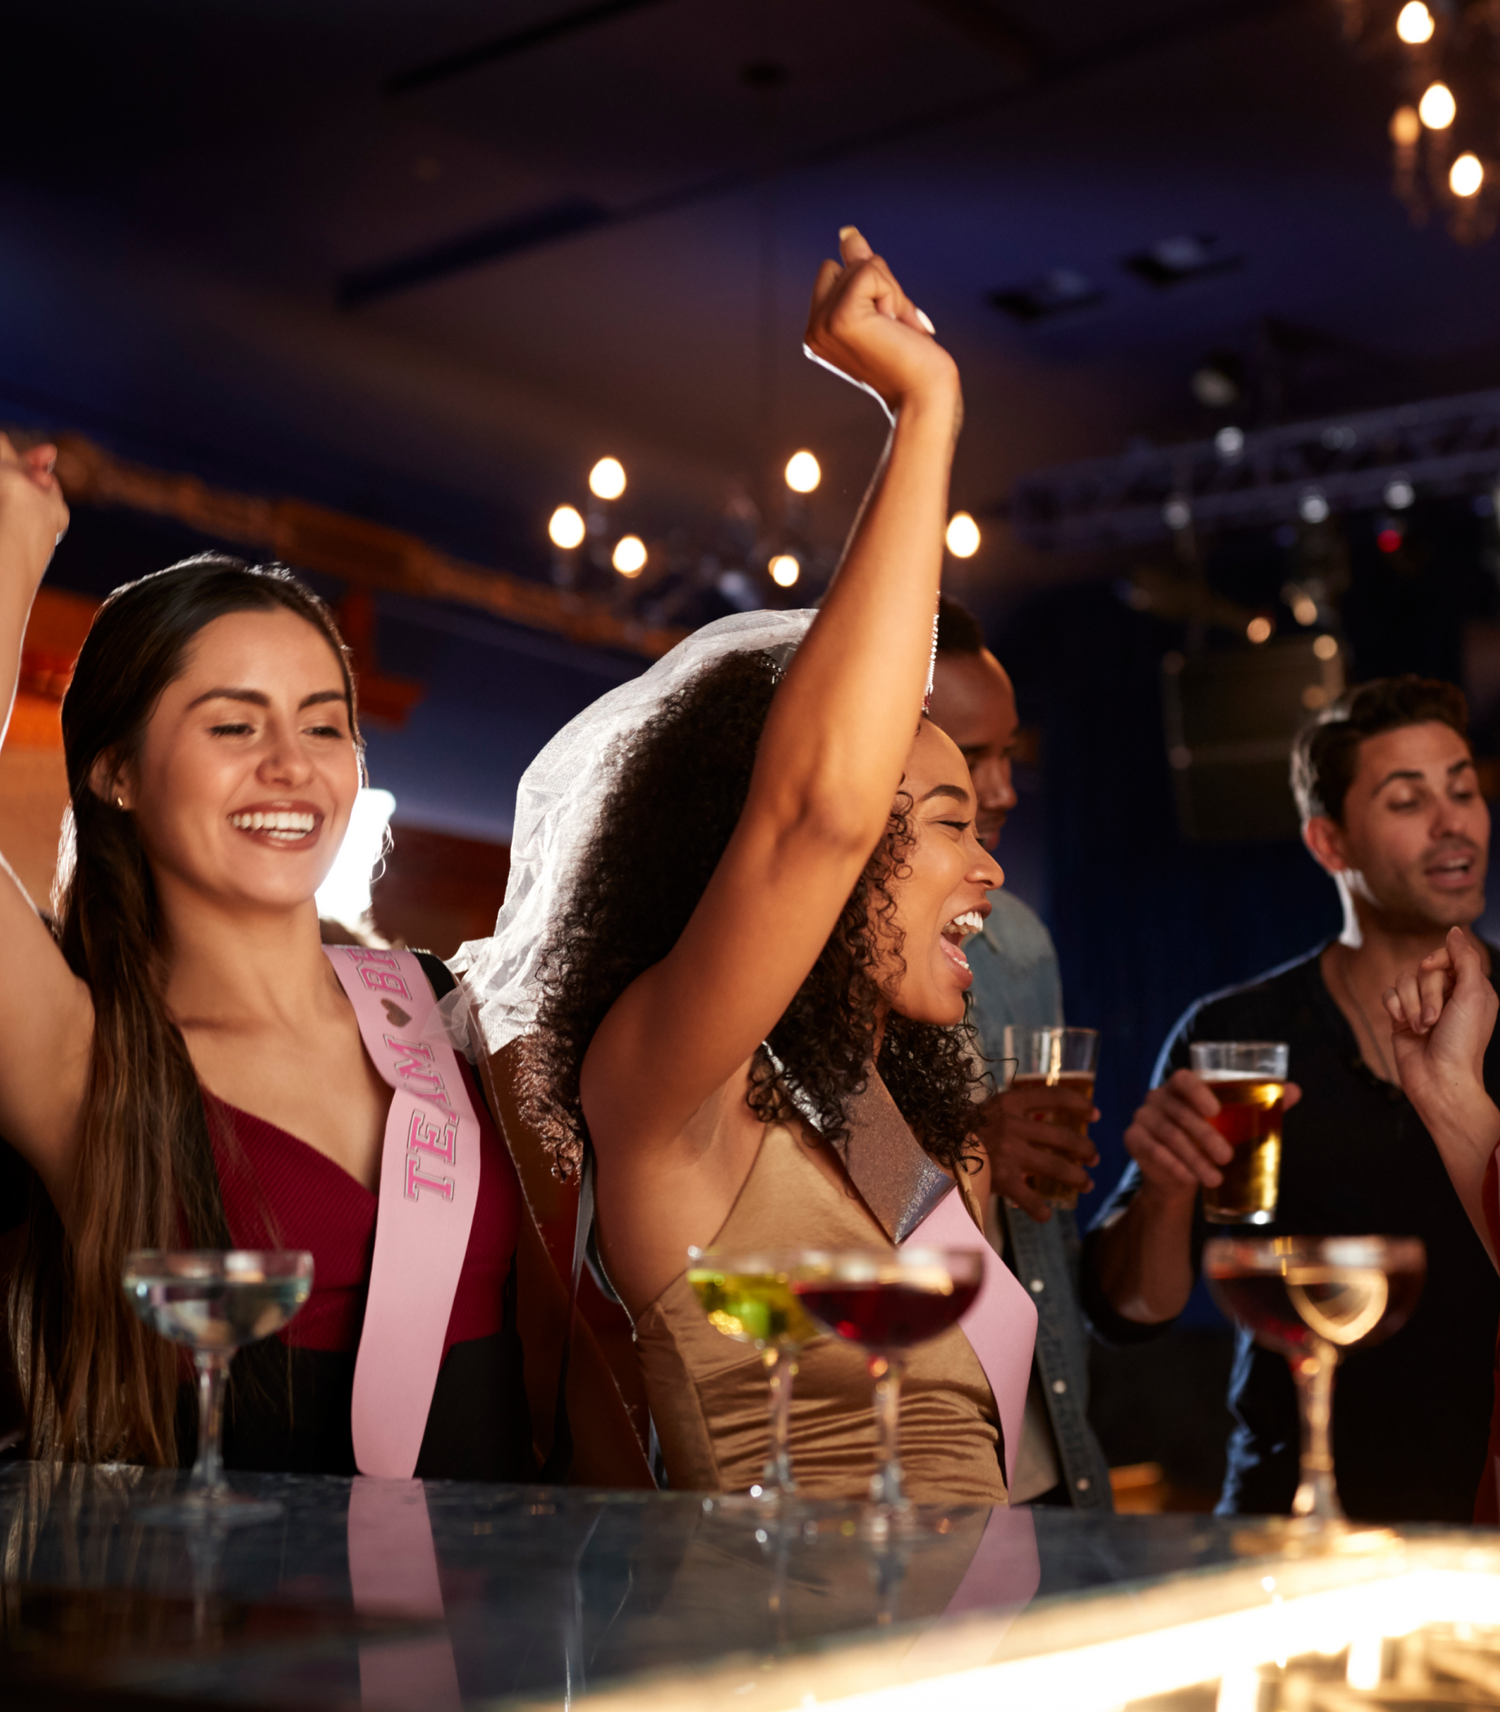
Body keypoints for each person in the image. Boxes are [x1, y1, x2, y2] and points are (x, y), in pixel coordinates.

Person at [459, 228, 1037, 1504]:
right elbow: (813, 814)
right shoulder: (674, 1094)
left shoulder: (914, 1133)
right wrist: (923, 407)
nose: (989, 865)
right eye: (945, 818)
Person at [0, 442, 533, 1479]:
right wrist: (21, 538)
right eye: (234, 723)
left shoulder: (433, 1004)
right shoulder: (83, 1052)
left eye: (325, 724)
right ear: (114, 771)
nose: (291, 764)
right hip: (229, 1628)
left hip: (499, 1625)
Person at [1082, 675, 1500, 1523]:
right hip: (1289, 1522)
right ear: (1329, 842)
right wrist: (1164, 1192)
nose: (1454, 820)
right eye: (1407, 799)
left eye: (1463, 789)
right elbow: (1129, 1313)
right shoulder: (1237, 1034)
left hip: (1480, 1523)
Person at [926, 597, 1112, 1508]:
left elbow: (1051, 1238)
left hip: (1046, 1457)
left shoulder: (1021, 943)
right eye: (973, 755)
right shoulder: (795, 972)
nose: (1002, 788)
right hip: (907, 1469)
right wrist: (968, 1147)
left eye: (1009, 752)